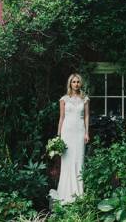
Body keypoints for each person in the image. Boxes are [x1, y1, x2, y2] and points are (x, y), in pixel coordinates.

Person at [50, 73, 90, 204]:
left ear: (81, 83)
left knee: (79, 160)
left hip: (79, 132)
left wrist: (87, 133)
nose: (76, 84)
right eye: (74, 82)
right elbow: (61, 117)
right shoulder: (64, 99)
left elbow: (86, 117)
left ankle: (79, 193)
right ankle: (65, 193)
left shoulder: (85, 99)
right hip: (67, 131)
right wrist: (58, 135)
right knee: (67, 162)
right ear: (70, 84)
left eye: (78, 82)